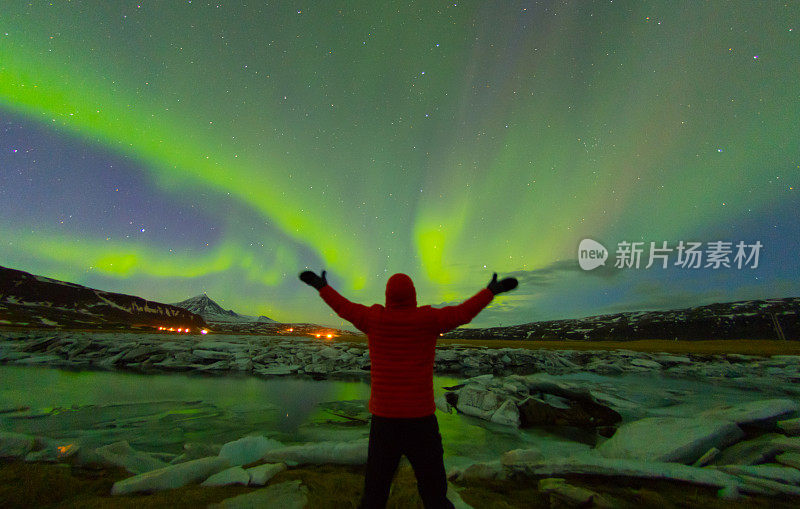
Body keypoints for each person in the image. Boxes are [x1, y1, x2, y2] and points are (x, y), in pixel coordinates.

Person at [299, 269, 518, 508]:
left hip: (384, 422)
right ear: (413, 295)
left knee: (375, 493)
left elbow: (344, 307)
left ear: (387, 296)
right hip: (421, 422)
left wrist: (322, 287)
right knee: (434, 493)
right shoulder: (427, 319)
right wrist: (490, 292)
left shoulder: (374, 318)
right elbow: (462, 313)